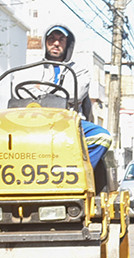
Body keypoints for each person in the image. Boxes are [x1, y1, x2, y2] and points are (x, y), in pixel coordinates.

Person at [39, 24, 113, 182]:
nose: (56, 43)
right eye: (52, 39)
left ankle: (78, 176)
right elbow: (22, 94)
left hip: (68, 123)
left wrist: (42, 92)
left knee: (102, 137)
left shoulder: (79, 71)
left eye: (61, 40)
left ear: (68, 44)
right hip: (36, 122)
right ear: (45, 42)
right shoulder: (31, 69)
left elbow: (74, 95)